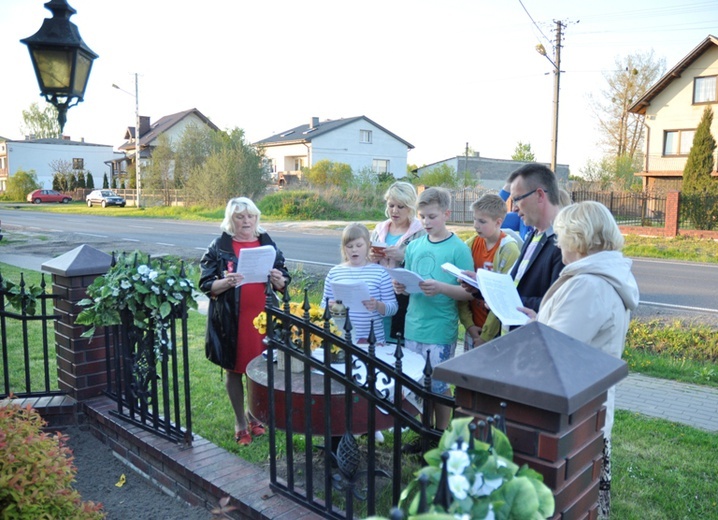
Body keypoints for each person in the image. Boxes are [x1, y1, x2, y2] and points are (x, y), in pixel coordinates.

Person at [518, 201, 639, 519]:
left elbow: (556, 350)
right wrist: (538, 321)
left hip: (575, 412)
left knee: (571, 497)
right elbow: (570, 334)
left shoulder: (588, 284)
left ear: (578, 237)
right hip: (587, 404)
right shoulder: (597, 277)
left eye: (561, 236)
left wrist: (532, 335)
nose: (557, 244)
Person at [199, 197, 290, 446]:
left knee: (260, 370)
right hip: (232, 320)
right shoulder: (219, 246)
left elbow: (284, 280)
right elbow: (206, 284)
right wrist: (225, 282)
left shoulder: (267, 243)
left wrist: (279, 280)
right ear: (231, 219)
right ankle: (240, 421)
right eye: (240, 216)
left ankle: (255, 416)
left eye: (250, 216)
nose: (246, 221)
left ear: (257, 218)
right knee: (234, 370)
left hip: (263, 318)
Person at [393, 187, 474, 431]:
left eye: (432, 216)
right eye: (422, 216)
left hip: (440, 327)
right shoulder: (415, 246)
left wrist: (440, 287)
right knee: (417, 383)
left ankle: (440, 434)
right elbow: (410, 282)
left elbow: (469, 292)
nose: (426, 222)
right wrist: (401, 287)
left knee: (438, 384)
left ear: (446, 214)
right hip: (413, 324)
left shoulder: (458, 249)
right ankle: (423, 431)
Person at [466, 163, 564, 345]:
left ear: (540, 195)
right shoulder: (535, 234)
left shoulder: (564, 242)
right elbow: (515, 285)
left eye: (518, 199)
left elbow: (559, 305)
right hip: (515, 343)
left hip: (537, 347)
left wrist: (506, 302)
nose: (515, 208)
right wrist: (481, 287)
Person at [459, 194, 520, 348]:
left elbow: (504, 296)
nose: (476, 225)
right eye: (474, 219)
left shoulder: (509, 250)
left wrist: (485, 336)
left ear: (498, 222)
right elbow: (461, 285)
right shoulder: (471, 244)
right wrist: (469, 325)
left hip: (496, 332)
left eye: (482, 221)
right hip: (473, 326)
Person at [322, 223, 398, 345]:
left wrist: (377, 305)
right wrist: (329, 306)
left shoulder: (380, 272)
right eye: (349, 246)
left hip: (373, 339)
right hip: (342, 337)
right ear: (343, 248)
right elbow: (322, 306)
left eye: (359, 245)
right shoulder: (335, 272)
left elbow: (393, 308)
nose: (354, 250)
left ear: (368, 246)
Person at [370, 181, 426, 342]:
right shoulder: (380, 228)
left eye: (400, 206)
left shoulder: (420, 232)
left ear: (410, 207)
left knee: (397, 345)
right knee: (377, 342)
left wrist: (403, 257)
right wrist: (371, 257)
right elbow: (365, 260)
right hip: (379, 293)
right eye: (391, 205)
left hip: (403, 297)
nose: (394, 211)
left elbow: (423, 263)